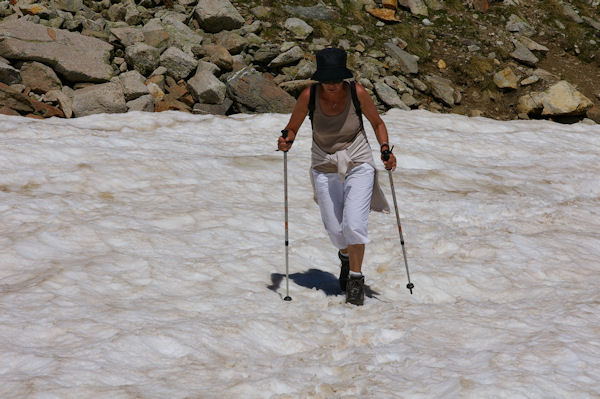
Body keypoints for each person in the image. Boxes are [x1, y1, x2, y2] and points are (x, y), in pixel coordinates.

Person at [277, 47, 397, 306]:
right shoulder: (309, 95)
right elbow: (293, 126)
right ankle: (345, 256)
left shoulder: (357, 93)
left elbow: (377, 123)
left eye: (336, 79)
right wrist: (287, 139)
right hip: (324, 163)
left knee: (353, 225)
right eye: (326, 79)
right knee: (335, 230)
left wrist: (385, 149)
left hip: (357, 160)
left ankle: (355, 279)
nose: (331, 84)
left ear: (344, 77)